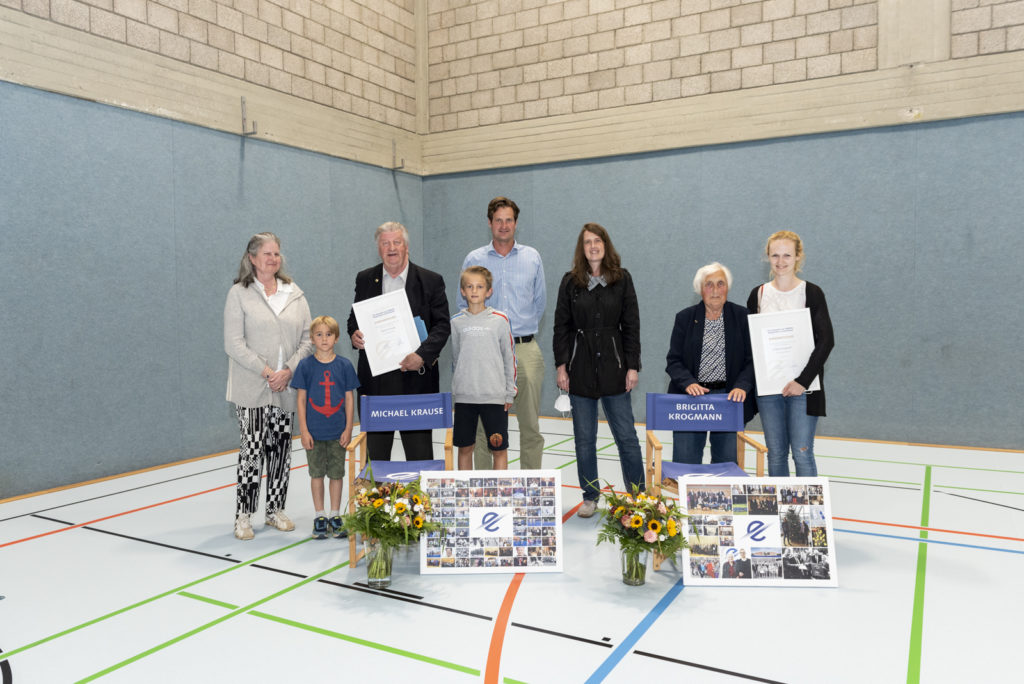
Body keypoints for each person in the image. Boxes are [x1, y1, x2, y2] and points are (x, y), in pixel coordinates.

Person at [224, 232, 312, 540]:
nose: (273, 259)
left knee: (281, 450)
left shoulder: (294, 293)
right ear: (252, 258)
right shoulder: (239, 293)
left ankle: (275, 510)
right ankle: (244, 516)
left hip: (285, 387)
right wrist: (266, 372)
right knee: (252, 451)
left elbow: (307, 339)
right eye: (266, 254)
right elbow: (233, 344)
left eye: (277, 254)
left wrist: (288, 370)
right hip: (253, 388)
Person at [553, 223, 645, 518]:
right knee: (584, 439)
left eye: (597, 240)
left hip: (615, 370)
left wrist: (632, 366)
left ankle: (638, 496)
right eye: (587, 242)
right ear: (582, 249)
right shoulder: (570, 282)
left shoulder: (622, 279)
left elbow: (631, 325)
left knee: (627, 438)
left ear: (606, 245)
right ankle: (590, 496)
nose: (593, 246)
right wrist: (561, 366)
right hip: (580, 370)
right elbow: (561, 328)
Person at [347, 222, 451, 460]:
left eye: (396, 242)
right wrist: (354, 335)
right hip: (376, 385)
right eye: (385, 243)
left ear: (406, 247)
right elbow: (354, 320)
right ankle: (375, 499)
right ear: (378, 248)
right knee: (376, 459)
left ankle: (416, 499)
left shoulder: (430, 280)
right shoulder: (365, 279)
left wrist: (422, 356)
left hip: (416, 381)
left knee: (419, 457)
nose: (391, 248)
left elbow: (442, 326)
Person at [460, 197, 546, 470]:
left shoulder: (532, 257)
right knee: (486, 428)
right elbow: (464, 306)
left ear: (516, 224)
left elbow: (540, 303)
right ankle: (486, 489)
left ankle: (529, 487)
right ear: (490, 223)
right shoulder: (475, 259)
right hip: (485, 353)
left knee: (530, 424)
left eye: (509, 220)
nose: (504, 225)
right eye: (498, 220)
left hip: (525, 347)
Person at [746, 230, 835, 476]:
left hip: (803, 389)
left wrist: (801, 382)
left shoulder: (812, 293)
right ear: (768, 257)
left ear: (798, 257)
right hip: (769, 389)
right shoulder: (758, 295)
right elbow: (752, 343)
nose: (780, 261)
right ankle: (779, 514)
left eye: (787, 255)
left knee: (802, 452)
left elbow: (826, 341)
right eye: (775, 255)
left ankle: (808, 514)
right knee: (775, 454)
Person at [665, 262, 755, 464]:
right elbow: (674, 360)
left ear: (728, 288)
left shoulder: (742, 317)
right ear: (700, 289)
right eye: (709, 284)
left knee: (727, 464)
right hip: (691, 400)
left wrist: (742, 386)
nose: (715, 290)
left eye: (720, 283)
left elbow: (752, 360)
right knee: (685, 462)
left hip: (729, 400)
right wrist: (688, 382)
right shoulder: (685, 318)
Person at [290, 315, 359, 539]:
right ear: (311, 339)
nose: (324, 339)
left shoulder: (345, 365)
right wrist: (304, 430)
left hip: (338, 433)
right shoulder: (305, 366)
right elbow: (301, 400)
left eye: (328, 334)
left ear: (336, 338)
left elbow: (349, 399)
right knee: (317, 474)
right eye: (319, 334)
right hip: (314, 433)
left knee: (337, 475)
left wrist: (348, 428)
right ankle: (320, 516)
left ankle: (335, 515)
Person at [450, 266, 517, 471]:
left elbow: (509, 358)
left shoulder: (500, 320)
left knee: (498, 449)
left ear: (489, 291)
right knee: (464, 449)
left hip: (494, 397)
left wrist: (509, 393)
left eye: (480, 286)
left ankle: (500, 497)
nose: (474, 290)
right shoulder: (456, 322)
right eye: (469, 286)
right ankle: (465, 498)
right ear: (462, 290)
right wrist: (457, 391)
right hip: (465, 398)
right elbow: (456, 358)